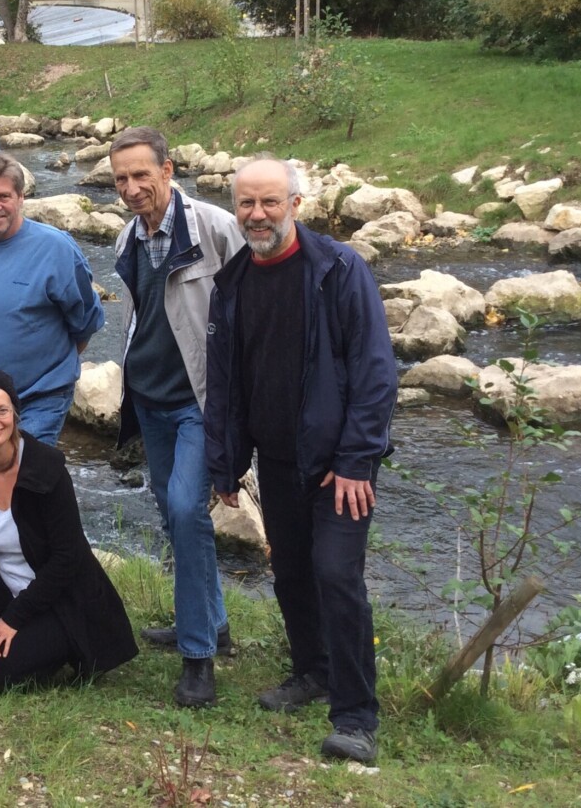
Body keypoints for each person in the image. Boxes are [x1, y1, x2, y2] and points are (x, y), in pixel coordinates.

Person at [205, 156, 397, 764]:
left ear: (295, 204)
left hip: (338, 464)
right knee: (289, 571)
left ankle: (356, 715)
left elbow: (375, 373)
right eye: (245, 204)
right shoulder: (233, 280)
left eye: (269, 203)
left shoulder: (338, 270)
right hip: (276, 459)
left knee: (337, 576)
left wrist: (359, 461)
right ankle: (311, 671)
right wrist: (227, 462)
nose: (257, 215)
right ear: (234, 208)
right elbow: (227, 381)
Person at [108, 126, 244, 708]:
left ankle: (197, 657)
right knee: (173, 513)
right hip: (150, 399)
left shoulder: (216, 230)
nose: (133, 188)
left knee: (189, 508)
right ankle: (212, 622)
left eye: (142, 174)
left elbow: (250, 309)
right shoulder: (125, 240)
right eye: (121, 179)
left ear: (168, 170)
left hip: (198, 401)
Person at [0, 366, 137, 688]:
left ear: (15, 415)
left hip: (59, 600)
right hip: (3, 586)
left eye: (2, 410)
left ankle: (47, 652)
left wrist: (13, 619)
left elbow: (67, 557)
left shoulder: (47, 468)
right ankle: (6, 653)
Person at [0, 152, 104, 445]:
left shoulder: (56, 249)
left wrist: (54, 369)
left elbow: (86, 322)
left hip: (41, 396)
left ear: (21, 197)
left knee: (24, 480)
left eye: (3, 196)